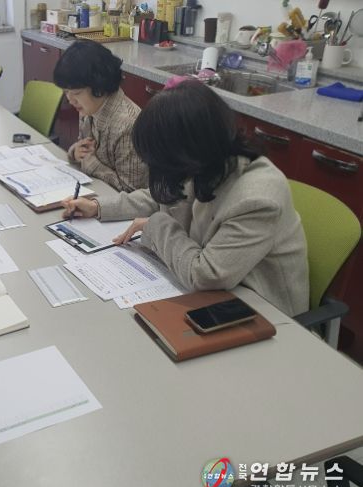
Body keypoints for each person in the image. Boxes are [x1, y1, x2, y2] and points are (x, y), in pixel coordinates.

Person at [62, 81, 308, 317]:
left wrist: (156, 225)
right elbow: (162, 195)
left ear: (187, 153)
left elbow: (206, 274)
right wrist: (97, 206)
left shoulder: (257, 198)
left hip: (262, 311)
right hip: (209, 290)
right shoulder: (206, 160)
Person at [53, 39, 148, 193]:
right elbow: (84, 148)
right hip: (95, 192)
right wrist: (75, 152)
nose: (70, 100)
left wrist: (92, 165)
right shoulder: (89, 108)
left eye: (76, 93)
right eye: (66, 92)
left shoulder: (128, 125)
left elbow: (131, 191)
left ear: (99, 86)